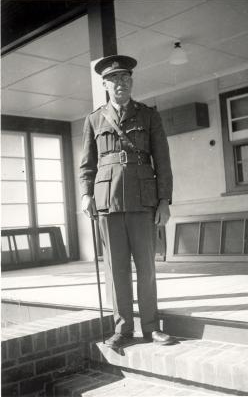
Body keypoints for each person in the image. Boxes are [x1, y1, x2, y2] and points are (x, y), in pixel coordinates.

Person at [79, 54, 173, 349]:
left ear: (131, 82)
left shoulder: (148, 115)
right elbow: (87, 165)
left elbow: (163, 161)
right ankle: (122, 328)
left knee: (146, 266)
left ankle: (150, 327)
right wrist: (85, 194)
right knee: (116, 268)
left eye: (126, 78)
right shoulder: (94, 119)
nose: (121, 83)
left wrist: (164, 200)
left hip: (143, 200)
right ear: (105, 85)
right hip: (108, 202)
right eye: (115, 79)